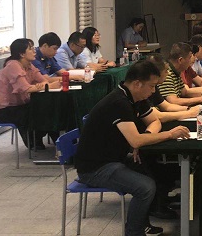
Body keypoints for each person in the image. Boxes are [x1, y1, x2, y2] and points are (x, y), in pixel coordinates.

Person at [75, 60, 190, 236]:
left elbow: (154, 121)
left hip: (115, 158)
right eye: (151, 86)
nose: (154, 91)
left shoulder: (136, 97)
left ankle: (147, 220)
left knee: (155, 170)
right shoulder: (118, 102)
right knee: (145, 187)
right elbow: (136, 140)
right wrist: (167, 135)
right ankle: (134, 232)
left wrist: (143, 139)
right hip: (95, 168)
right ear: (137, 84)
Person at [0, 38, 60, 149]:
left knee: (49, 109)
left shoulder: (29, 65)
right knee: (42, 112)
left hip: (22, 105)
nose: (34, 51)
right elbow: (25, 88)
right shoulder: (13, 65)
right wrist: (46, 86)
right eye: (30, 49)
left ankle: (50, 141)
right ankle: (36, 140)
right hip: (6, 110)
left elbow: (43, 80)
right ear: (21, 53)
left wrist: (42, 85)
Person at [144, 54, 202, 122]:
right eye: (166, 71)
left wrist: (188, 109)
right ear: (156, 73)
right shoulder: (145, 89)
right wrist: (190, 113)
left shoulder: (154, 86)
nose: (168, 73)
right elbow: (158, 116)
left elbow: (167, 106)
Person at [159, 43, 202, 107]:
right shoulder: (167, 73)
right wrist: (200, 99)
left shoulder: (176, 71)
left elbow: (184, 92)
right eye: (189, 58)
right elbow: (173, 101)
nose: (191, 60)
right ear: (180, 60)